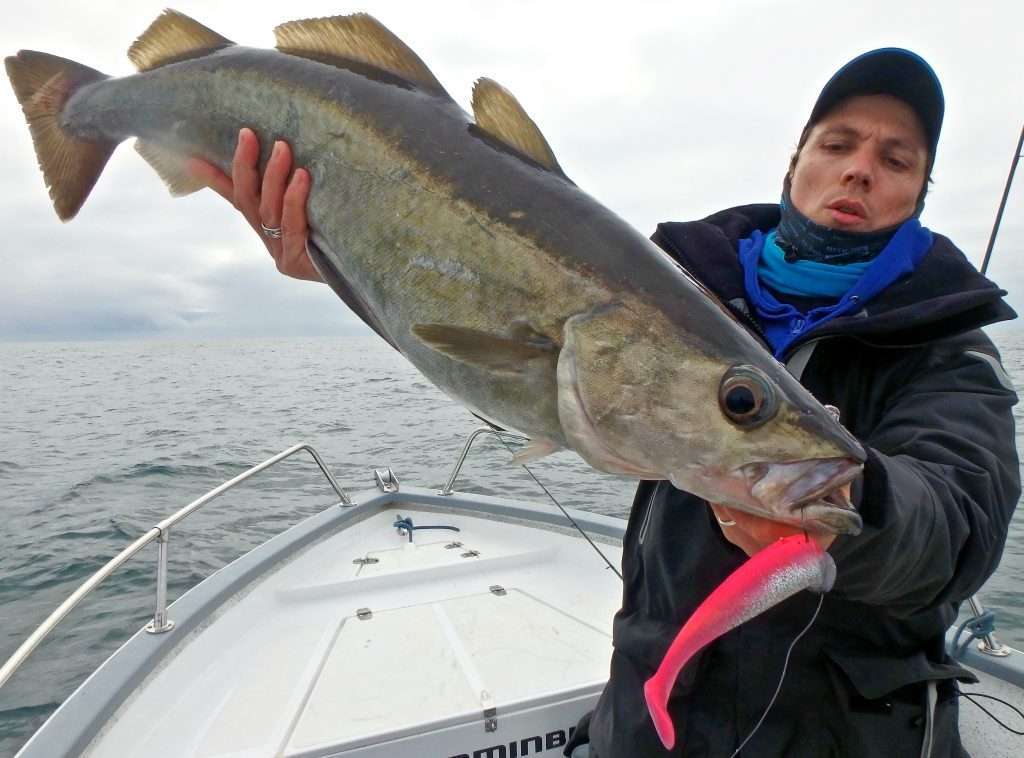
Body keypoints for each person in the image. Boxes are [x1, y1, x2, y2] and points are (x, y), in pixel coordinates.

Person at [190, 48, 1020, 757]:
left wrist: (858, 500)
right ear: (795, 160)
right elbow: (509, 380)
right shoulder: (685, 291)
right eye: (837, 143)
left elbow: (957, 526)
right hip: (647, 720)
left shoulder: (947, 350)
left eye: (897, 158)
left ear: (918, 192)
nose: (860, 168)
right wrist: (344, 263)